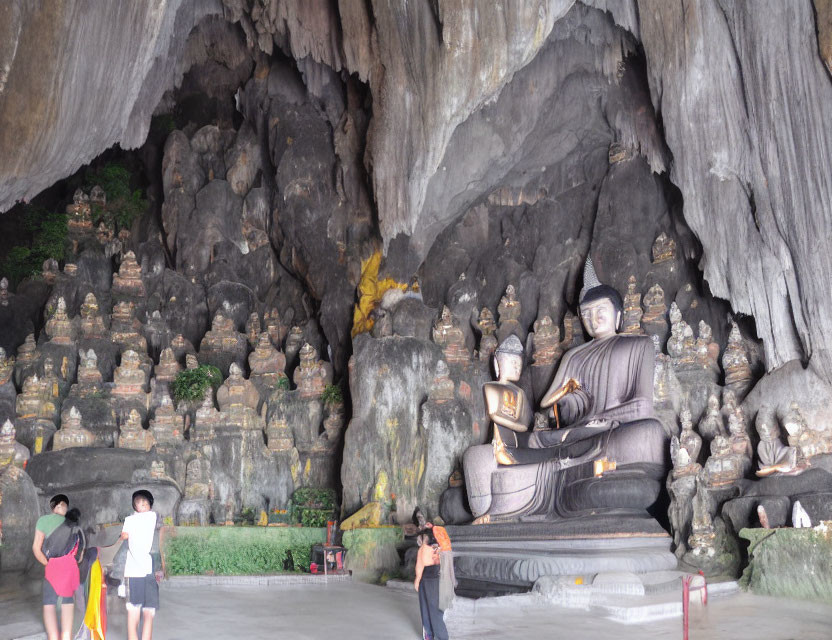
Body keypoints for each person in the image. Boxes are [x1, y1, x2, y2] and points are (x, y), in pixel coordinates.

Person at [463, 256, 669, 523]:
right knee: (530, 441)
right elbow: (551, 405)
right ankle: (553, 474)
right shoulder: (574, 356)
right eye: (586, 315)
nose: (593, 320)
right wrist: (572, 399)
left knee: (650, 433)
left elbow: (642, 406)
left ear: (618, 315)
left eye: (600, 312)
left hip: (610, 432)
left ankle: (547, 477)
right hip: (575, 434)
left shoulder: (638, 346)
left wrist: (605, 420)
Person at [32, 494, 82, 640]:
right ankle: (66, 636)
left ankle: (54, 637)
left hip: (54, 569)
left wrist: (49, 564)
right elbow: (80, 551)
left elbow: (36, 548)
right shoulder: (73, 523)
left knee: (49, 603)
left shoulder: (44, 521)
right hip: (70, 568)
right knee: (66, 602)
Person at [121, 489, 159, 640]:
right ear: (134, 506)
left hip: (145, 570)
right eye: (139, 503)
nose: (143, 506)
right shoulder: (131, 520)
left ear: (150, 505)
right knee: (136, 610)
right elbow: (125, 535)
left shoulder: (149, 516)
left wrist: (127, 532)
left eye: (145, 503)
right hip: (135, 571)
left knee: (147, 611)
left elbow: (125, 535)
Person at [414, 529, 448, 640]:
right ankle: (439, 635)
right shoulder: (441, 548)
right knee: (438, 608)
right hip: (440, 578)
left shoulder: (423, 549)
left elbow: (420, 565)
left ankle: (432, 635)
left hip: (427, 578)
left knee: (427, 608)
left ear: (424, 538)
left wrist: (417, 579)